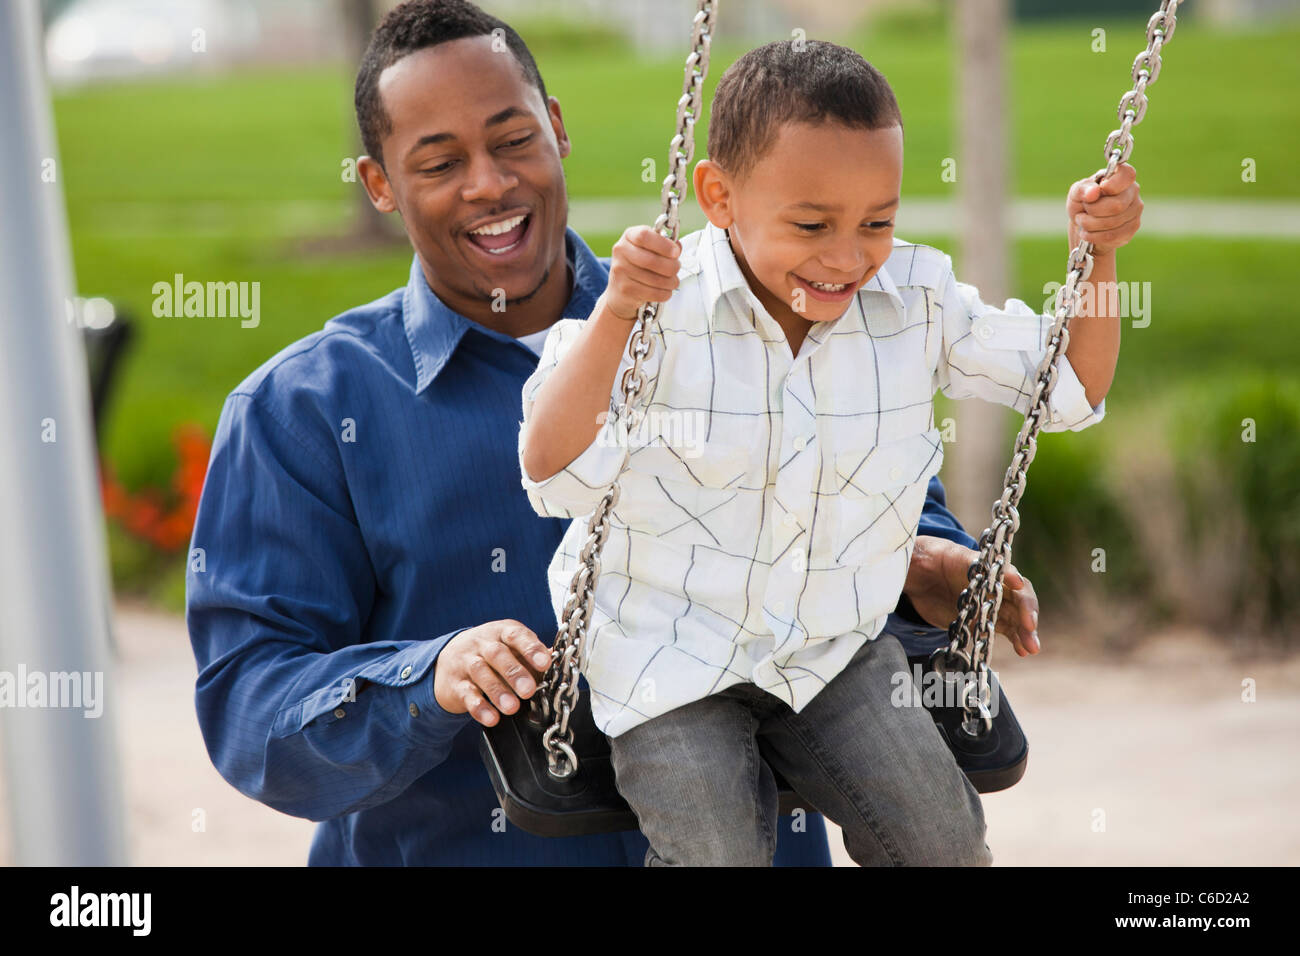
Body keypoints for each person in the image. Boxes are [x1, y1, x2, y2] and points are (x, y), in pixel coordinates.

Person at [186, 0, 1038, 867]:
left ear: (556, 129)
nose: (489, 183)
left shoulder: (772, 306)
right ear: (378, 185)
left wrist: (923, 568)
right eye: (440, 162)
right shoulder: (303, 412)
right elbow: (252, 713)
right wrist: (427, 677)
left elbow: (879, 507)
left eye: (513, 140)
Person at [519, 39, 1140, 866]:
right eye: (811, 224)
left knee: (944, 841)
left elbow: (1071, 383)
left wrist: (1096, 256)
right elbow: (550, 468)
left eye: (877, 221)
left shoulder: (914, 302)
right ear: (719, 197)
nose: (848, 257)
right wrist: (617, 316)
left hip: (832, 648)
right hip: (666, 655)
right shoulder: (659, 311)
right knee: (716, 849)